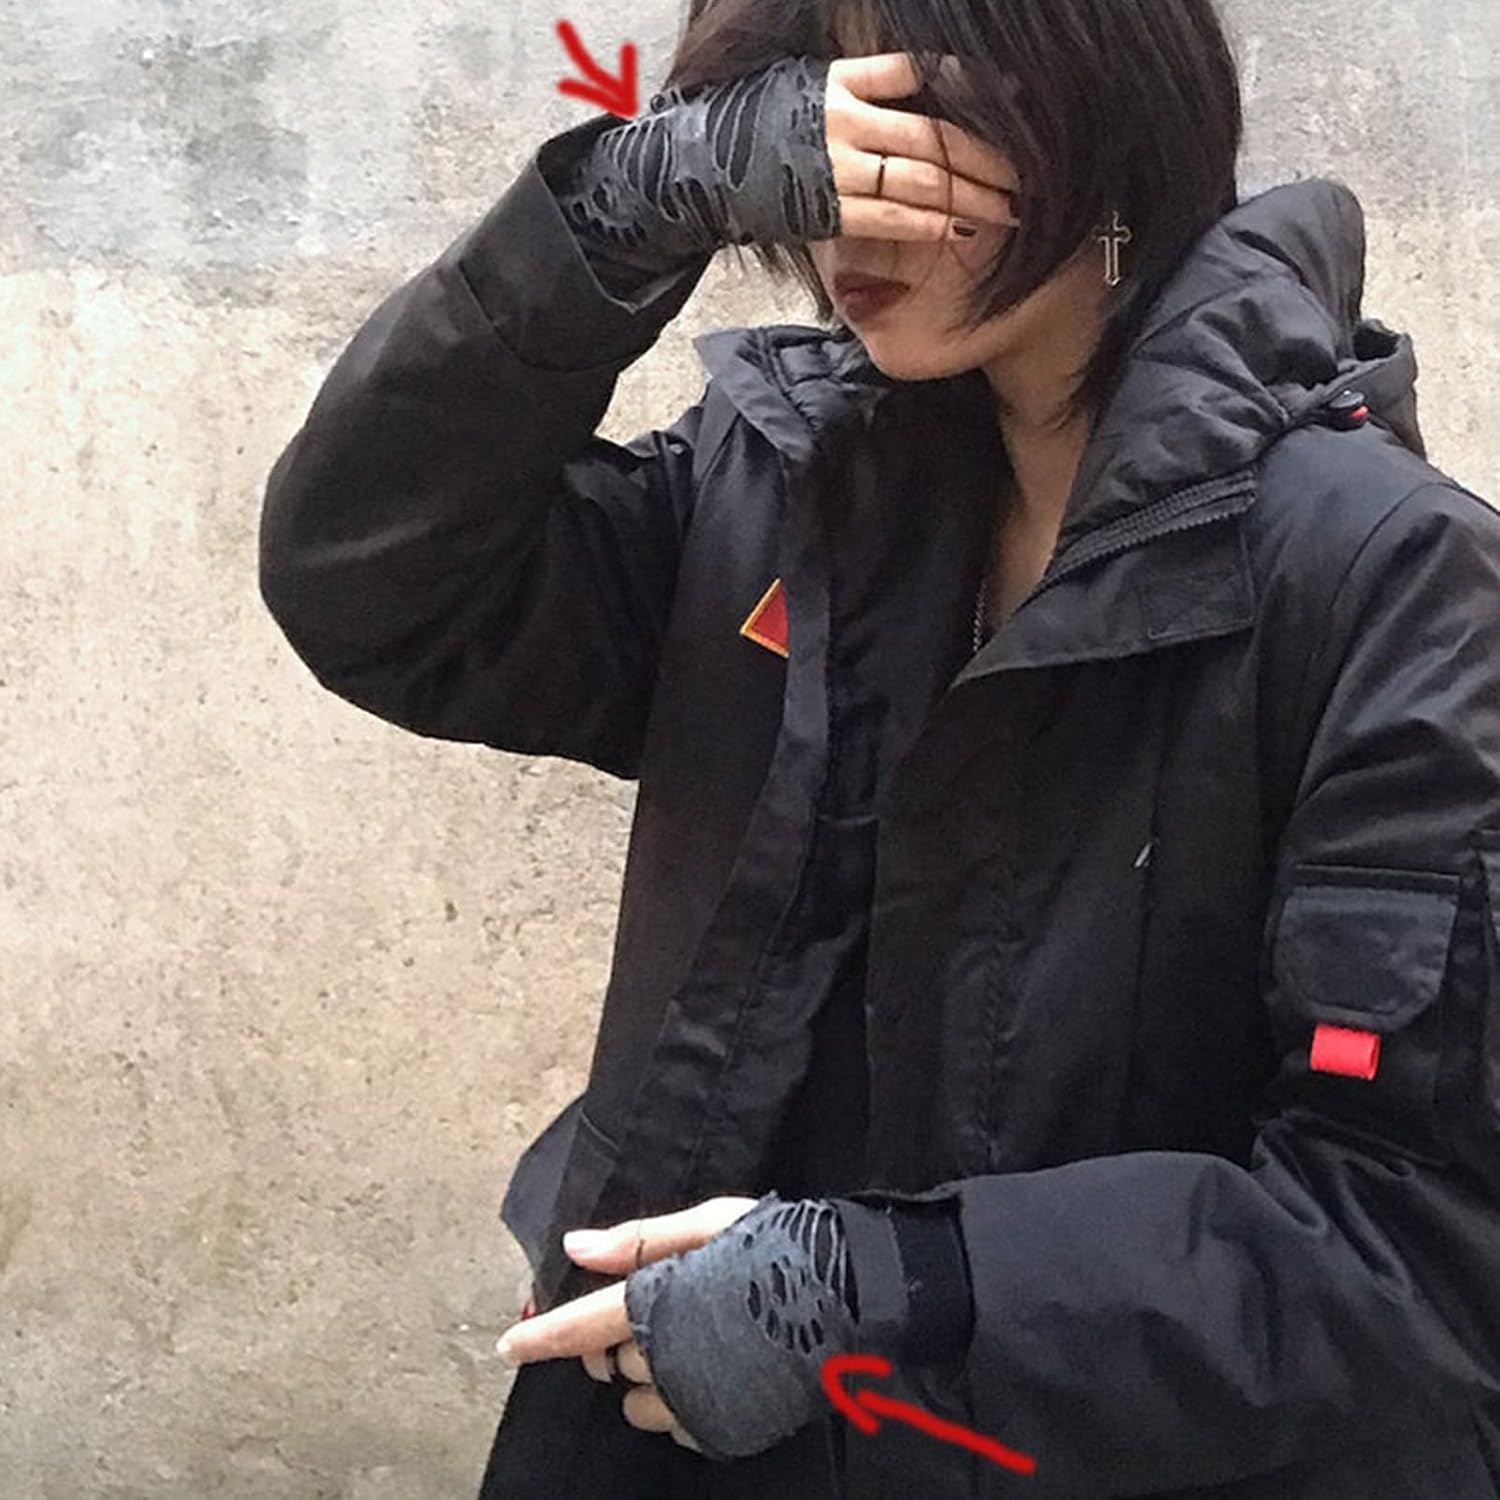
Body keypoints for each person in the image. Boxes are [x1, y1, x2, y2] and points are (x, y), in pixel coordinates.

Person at [257, 0, 1500, 1495]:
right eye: (796, 121)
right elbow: (378, 585)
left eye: (908, 112)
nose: (844, 194)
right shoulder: (794, 488)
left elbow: (1412, 1256)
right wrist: (620, 208)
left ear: (1102, 103)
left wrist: (895, 1289)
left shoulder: (1390, 580)